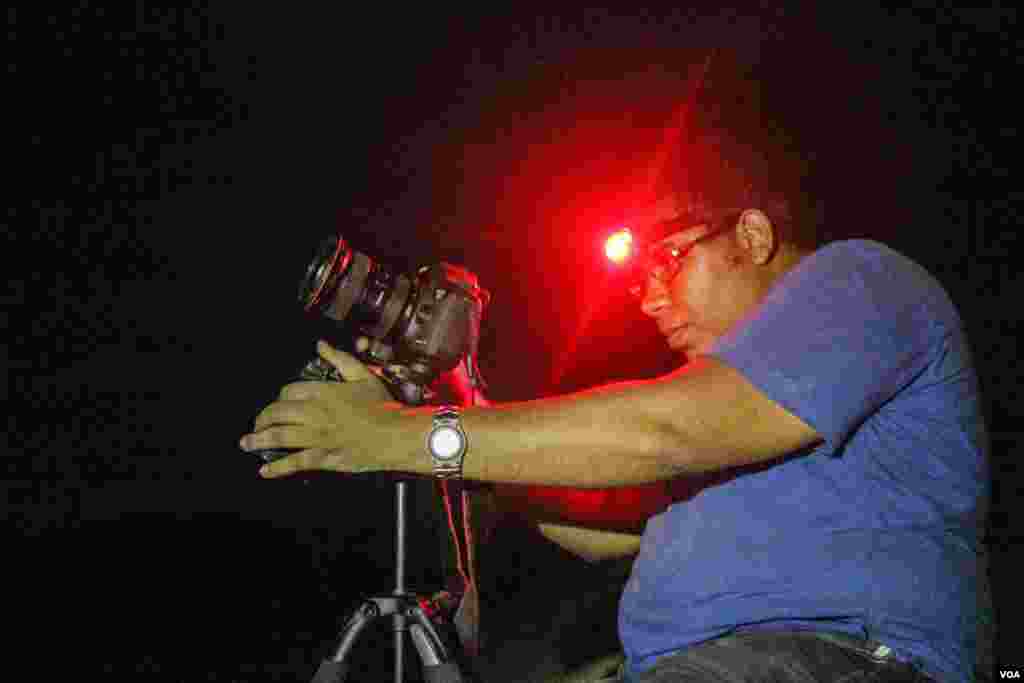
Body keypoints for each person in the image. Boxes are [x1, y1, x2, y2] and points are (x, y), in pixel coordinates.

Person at [239, 64, 989, 682]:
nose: (651, 298)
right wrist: (459, 405)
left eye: (669, 260)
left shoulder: (858, 282)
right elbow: (607, 529)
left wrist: (406, 436)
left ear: (753, 234)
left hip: (843, 655)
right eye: (639, 281)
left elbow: (662, 430)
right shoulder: (744, 414)